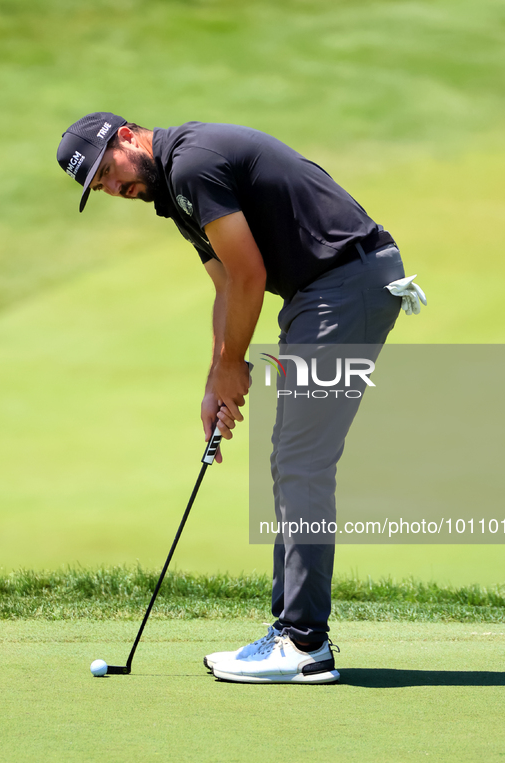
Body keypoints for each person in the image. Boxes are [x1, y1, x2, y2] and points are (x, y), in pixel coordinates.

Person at [57, 112, 425, 684]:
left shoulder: (194, 164)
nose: (112, 189)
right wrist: (215, 380)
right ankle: (291, 635)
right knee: (292, 460)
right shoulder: (172, 194)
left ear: (128, 137)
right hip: (322, 292)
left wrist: (235, 365)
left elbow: (251, 274)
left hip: (343, 286)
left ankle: (304, 644)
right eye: (100, 187)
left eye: (108, 171)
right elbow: (226, 285)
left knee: (301, 461)